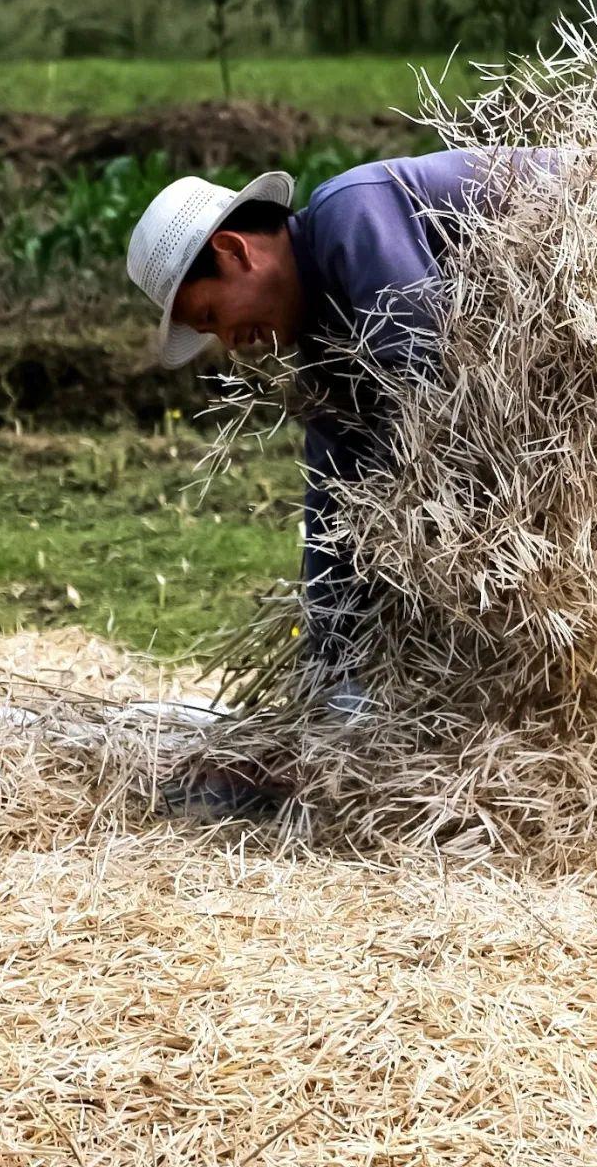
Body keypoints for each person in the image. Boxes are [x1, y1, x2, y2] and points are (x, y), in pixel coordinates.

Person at [126, 151, 487, 810]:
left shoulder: (353, 214)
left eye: (211, 315)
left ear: (234, 251)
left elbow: (433, 395)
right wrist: (331, 676)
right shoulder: (324, 348)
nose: (230, 342)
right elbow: (334, 506)